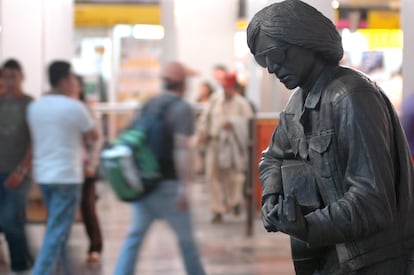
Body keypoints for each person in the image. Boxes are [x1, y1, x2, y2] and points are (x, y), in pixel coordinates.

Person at [247, 0, 414, 274]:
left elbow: (372, 201)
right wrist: (272, 197)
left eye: (277, 55)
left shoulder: (350, 96)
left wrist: (309, 226)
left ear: (305, 40)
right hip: (330, 255)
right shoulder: (297, 102)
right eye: (263, 60)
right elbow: (273, 157)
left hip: (371, 261)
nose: (272, 68)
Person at [114, 61, 206, 275]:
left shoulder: (148, 104)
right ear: (182, 84)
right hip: (169, 186)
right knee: (187, 242)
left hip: (145, 182)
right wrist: (184, 186)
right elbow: (182, 148)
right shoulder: (182, 108)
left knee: (134, 238)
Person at [27, 60, 97, 275]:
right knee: (57, 232)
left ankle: (63, 270)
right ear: (65, 80)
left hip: (44, 175)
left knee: (59, 230)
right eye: (73, 78)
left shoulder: (35, 107)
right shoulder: (74, 107)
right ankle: (42, 271)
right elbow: (93, 134)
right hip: (67, 176)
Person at [198, 72, 254, 223]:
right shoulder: (215, 100)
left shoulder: (242, 104)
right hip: (214, 143)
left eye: (229, 88)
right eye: (224, 87)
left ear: (234, 88)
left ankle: (234, 201)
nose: (226, 90)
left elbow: (249, 124)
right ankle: (217, 210)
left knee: (234, 176)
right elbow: (205, 117)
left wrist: (234, 124)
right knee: (212, 176)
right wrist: (203, 132)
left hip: (232, 145)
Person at [0, 59, 34, 274]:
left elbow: (35, 141)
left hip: (18, 172)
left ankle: (20, 266)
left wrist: (22, 169)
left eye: (14, 76)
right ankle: (26, 259)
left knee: (11, 219)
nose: (10, 81)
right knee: (9, 221)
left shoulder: (30, 104)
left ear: (22, 76)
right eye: (5, 76)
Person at [73, 75, 104, 264]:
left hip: (84, 168)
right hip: (65, 167)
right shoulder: (62, 108)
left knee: (88, 207)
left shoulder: (86, 109)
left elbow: (97, 138)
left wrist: (91, 164)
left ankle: (95, 247)